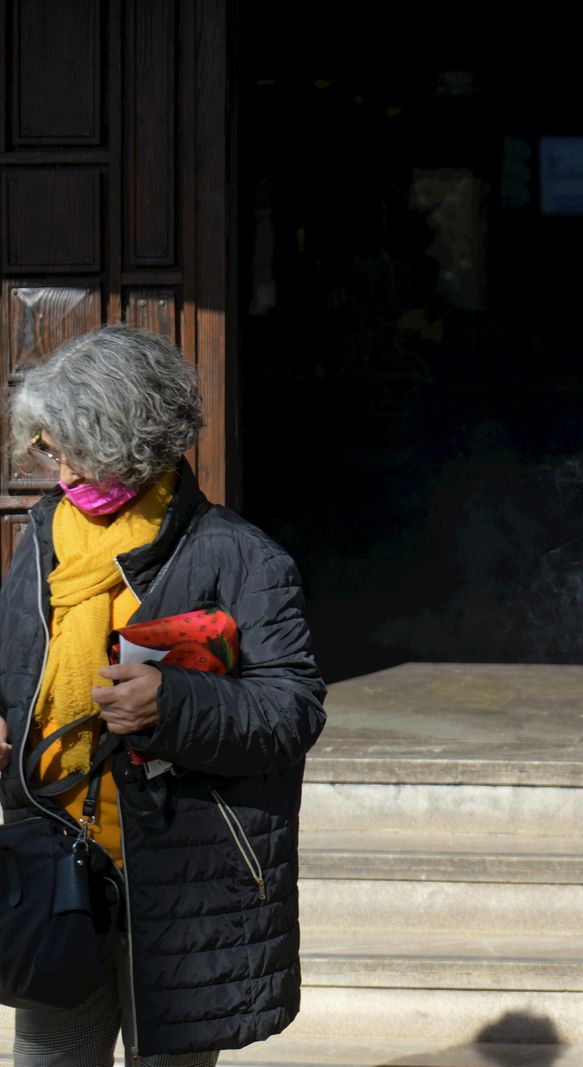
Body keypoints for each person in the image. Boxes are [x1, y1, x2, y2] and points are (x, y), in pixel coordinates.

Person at [0, 326, 326, 1064]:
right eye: (50, 449)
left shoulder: (240, 556)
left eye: (72, 448)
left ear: (131, 443)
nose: (58, 471)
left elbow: (293, 708)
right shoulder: (45, 540)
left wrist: (171, 704)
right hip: (58, 871)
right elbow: (13, 666)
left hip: (181, 882)